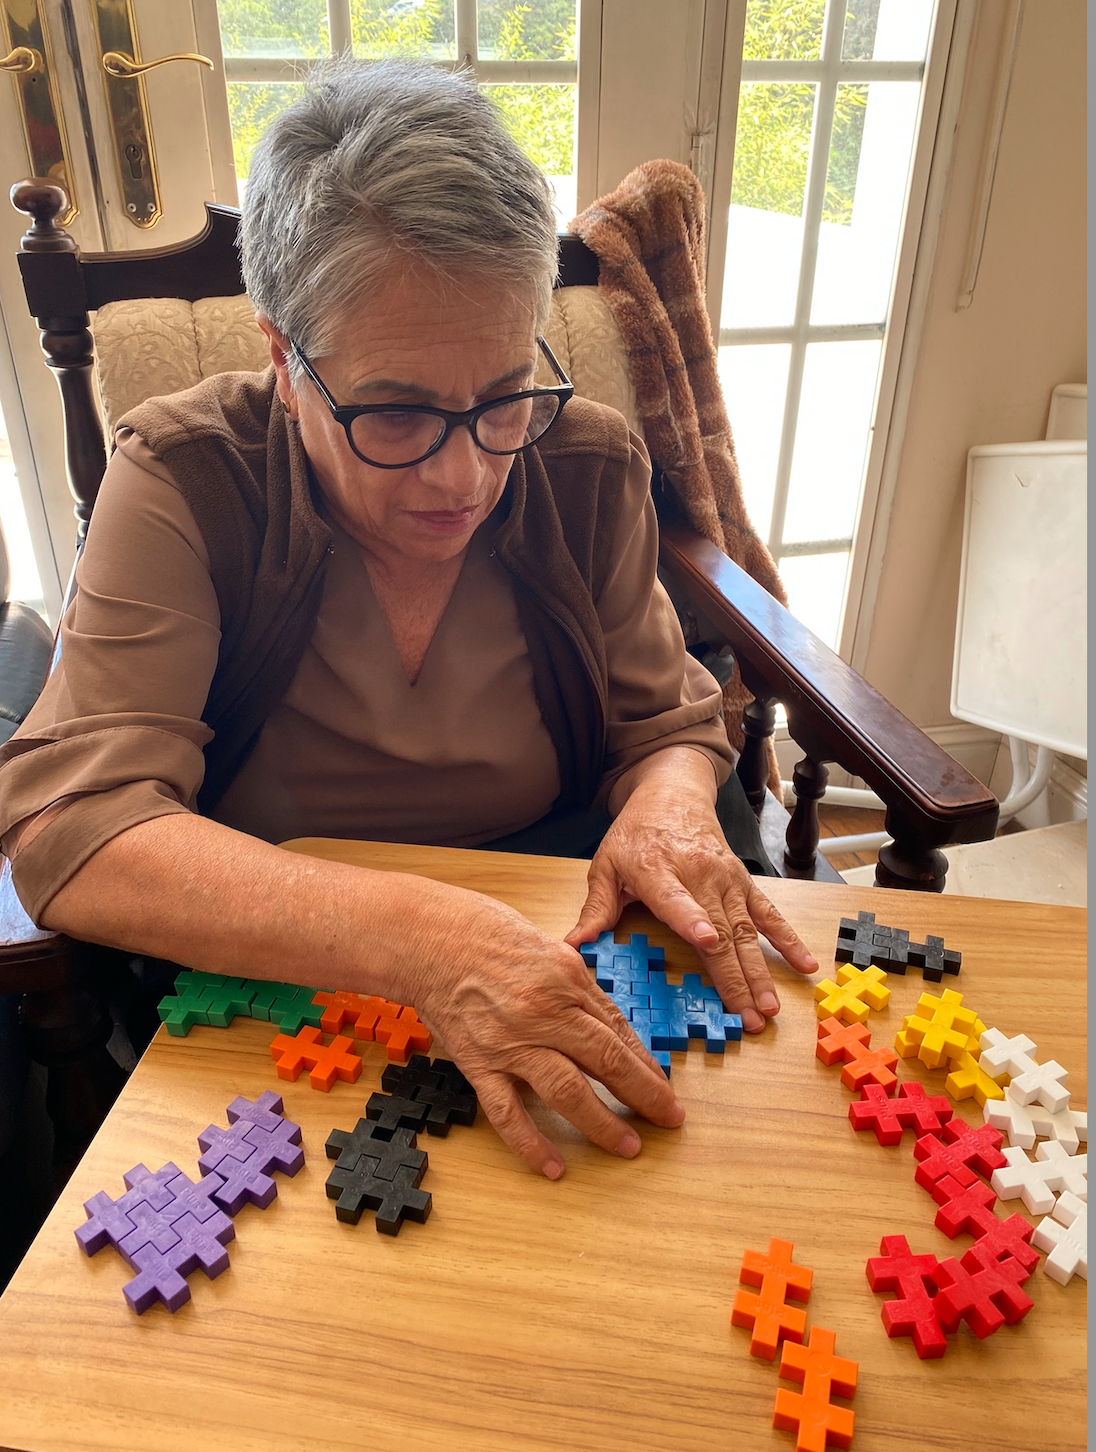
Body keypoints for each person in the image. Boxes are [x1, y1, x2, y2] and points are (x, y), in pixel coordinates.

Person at [0, 60, 816, 1180]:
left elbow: (664, 722)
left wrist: (671, 805)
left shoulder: (587, 464)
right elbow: (74, 829)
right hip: (277, 989)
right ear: (282, 356)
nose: (463, 477)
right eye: (394, 413)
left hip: (562, 949)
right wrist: (427, 938)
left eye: (503, 395)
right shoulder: (184, 477)